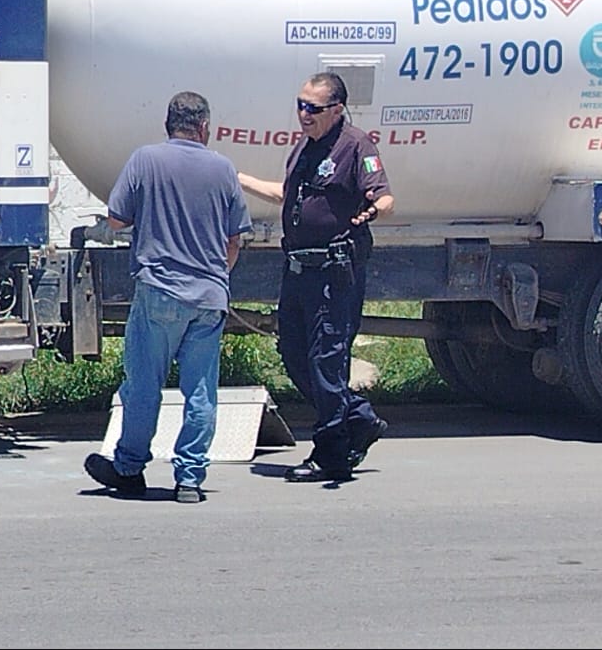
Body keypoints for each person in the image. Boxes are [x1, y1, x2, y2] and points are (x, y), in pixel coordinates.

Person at [82, 91, 253, 504]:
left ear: (167, 124)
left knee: (143, 386)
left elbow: (118, 218)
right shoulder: (224, 168)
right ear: (205, 128)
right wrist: (217, 276)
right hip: (210, 294)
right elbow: (236, 239)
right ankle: (190, 479)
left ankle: (128, 468)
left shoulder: (146, 159)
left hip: (160, 290)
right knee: (200, 391)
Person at [238, 71, 394, 483]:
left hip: (332, 273)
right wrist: (237, 178)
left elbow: (383, 194)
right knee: (293, 354)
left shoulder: (355, 145)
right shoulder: (305, 148)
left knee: (327, 363)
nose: (303, 114)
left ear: (337, 109)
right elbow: (286, 194)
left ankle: (331, 455)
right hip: (298, 271)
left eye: (312, 108)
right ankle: (358, 418)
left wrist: (376, 208)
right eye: (300, 105)